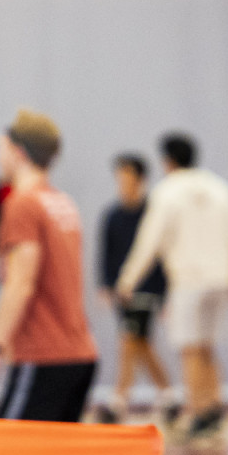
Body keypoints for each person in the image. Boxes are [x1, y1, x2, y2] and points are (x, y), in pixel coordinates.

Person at [0, 110, 97, 422]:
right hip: (80, 355)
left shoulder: (22, 204)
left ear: (18, 151)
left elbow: (20, 284)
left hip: (43, 356)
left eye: (1, 148)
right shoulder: (62, 202)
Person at [116, 132, 228, 443]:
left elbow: (151, 239)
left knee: (190, 347)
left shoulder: (168, 191)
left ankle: (198, 411)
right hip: (221, 278)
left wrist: (128, 279)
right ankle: (213, 407)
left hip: (190, 279)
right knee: (207, 346)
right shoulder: (220, 188)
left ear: (168, 161)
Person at [96, 154, 178, 425]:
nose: (124, 185)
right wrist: (106, 285)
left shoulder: (152, 213)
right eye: (121, 180)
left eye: (129, 179)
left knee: (130, 339)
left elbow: (160, 255)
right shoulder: (113, 216)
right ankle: (168, 395)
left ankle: (118, 401)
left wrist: (165, 294)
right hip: (123, 291)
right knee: (140, 343)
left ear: (141, 180)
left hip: (147, 290)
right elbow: (106, 254)